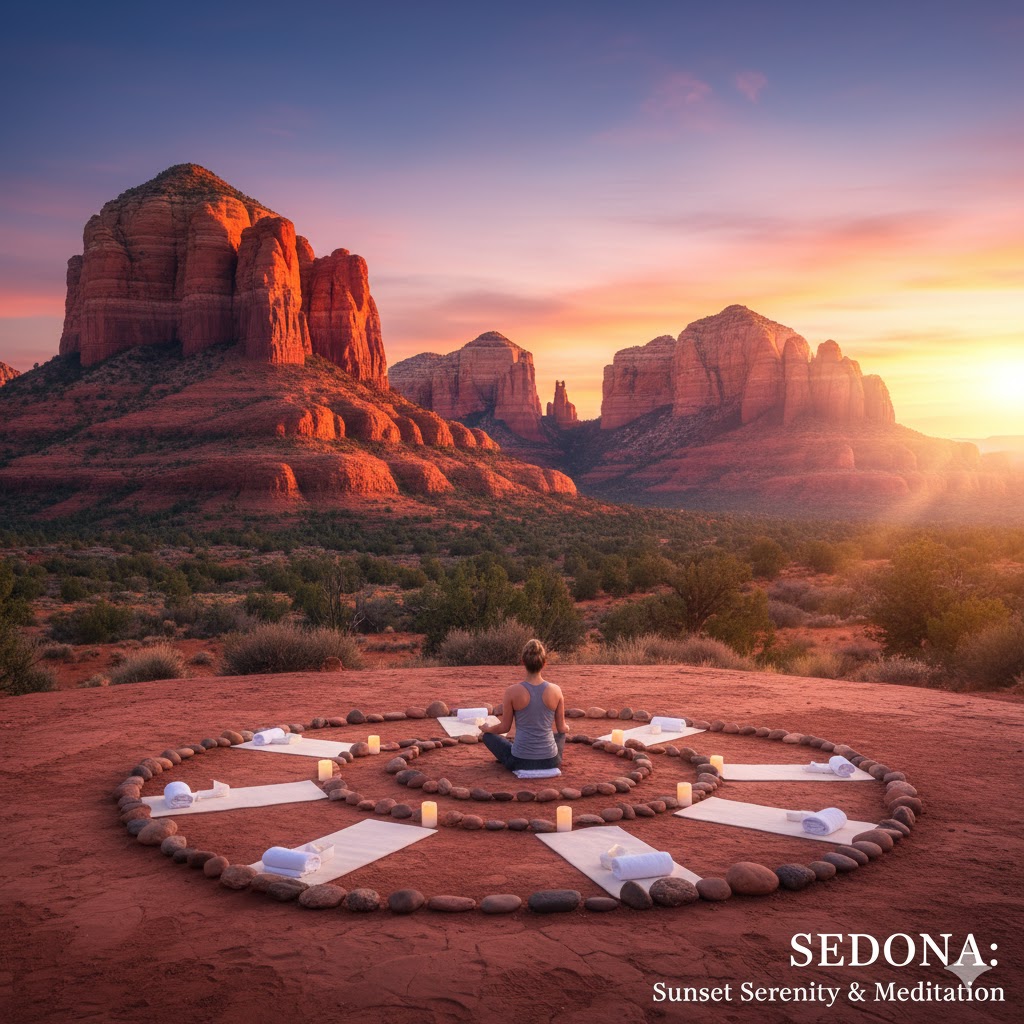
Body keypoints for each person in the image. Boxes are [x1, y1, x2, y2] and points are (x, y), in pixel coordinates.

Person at [480, 638, 567, 772]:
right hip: (551, 761)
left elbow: (504, 727)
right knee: (560, 735)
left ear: (523, 662)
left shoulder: (511, 691)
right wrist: (567, 727)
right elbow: (562, 728)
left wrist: (487, 728)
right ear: (544, 663)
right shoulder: (556, 690)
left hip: (520, 761)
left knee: (488, 737)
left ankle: (515, 752)